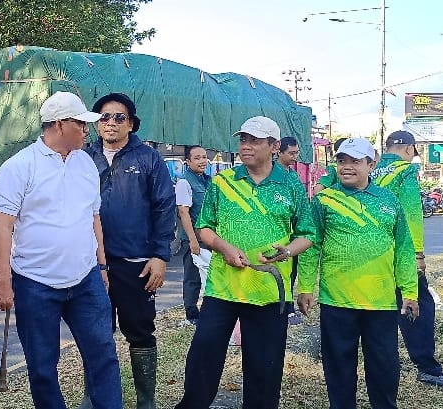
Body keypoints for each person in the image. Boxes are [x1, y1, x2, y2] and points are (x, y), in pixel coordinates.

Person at [174, 116, 316, 409]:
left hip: (269, 292)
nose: (246, 146)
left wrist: (287, 252)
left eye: (255, 141)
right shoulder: (223, 182)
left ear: (274, 146)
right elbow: (204, 228)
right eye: (243, 140)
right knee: (203, 357)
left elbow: (307, 234)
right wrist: (224, 247)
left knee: (264, 371)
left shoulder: (290, 184)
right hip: (222, 289)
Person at [0, 91, 122, 409]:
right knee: (42, 368)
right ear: (60, 124)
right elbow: (3, 228)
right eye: (81, 124)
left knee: (103, 355)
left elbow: (94, 218)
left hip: (86, 279)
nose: (87, 130)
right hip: (34, 282)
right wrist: (3, 283)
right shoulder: (19, 167)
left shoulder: (86, 164)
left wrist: (102, 267)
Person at [298, 137, 419, 408]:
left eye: (355, 161)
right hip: (336, 300)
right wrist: (305, 287)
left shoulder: (389, 201)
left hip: (381, 302)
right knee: (338, 368)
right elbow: (310, 245)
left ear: (371, 164)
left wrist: (410, 291)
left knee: (384, 367)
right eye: (342, 161)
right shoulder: (324, 200)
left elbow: (403, 248)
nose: (347, 167)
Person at [80, 92, 175, 409]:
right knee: (95, 332)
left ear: (131, 124)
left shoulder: (148, 158)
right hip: (92, 264)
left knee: (140, 331)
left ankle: (146, 400)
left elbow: (165, 207)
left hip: (137, 263)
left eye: (119, 117)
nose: (111, 123)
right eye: (104, 117)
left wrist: (160, 256)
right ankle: (93, 396)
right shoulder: (84, 157)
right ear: (97, 124)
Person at [371, 130, 443, 387]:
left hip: (373, 253)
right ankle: (427, 367)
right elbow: (412, 214)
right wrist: (418, 254)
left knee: (382, 310)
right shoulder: (406, 171)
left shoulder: (371, 170)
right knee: (418, 303)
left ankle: (384, 363)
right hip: (400, 253)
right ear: (410, 149)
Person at [175, 145, 210, 326]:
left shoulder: (208, 180)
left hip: (209, 238)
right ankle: (191, 315)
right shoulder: (184, 182)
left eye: (204, 157)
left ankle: (207, 311)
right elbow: (183, 212)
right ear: (188, 161)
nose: (202, 161)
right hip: (194, 238)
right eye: (197, 158)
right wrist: (192, 240)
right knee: (192, 278)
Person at [277, 136, 304, 325]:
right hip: (279, 232)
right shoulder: (273, 174)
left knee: (292, 271)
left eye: (297, 153)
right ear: (279, 152)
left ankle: (288, 305)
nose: (295, 157)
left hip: (294, 234)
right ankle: (284, 307)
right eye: (291, 153)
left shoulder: (293, 175)